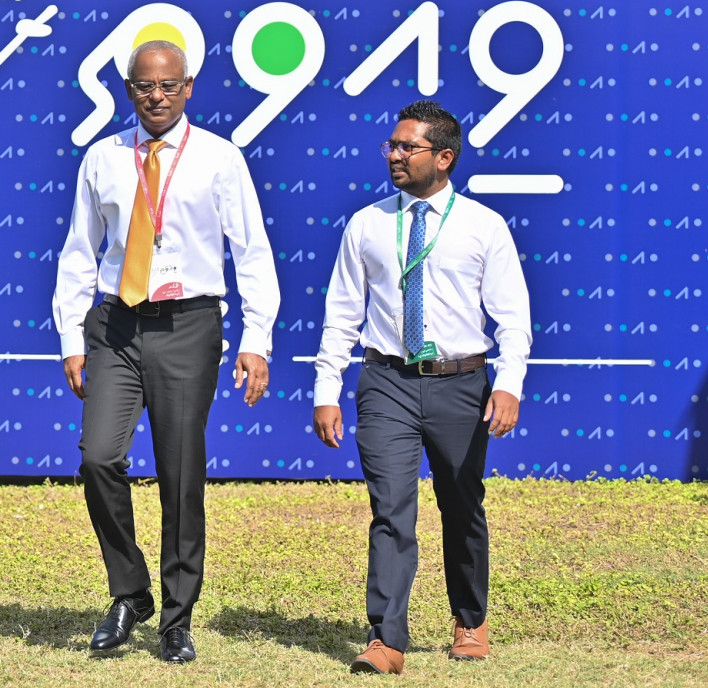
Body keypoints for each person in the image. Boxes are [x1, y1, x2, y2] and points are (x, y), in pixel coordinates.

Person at [53, 40, 279, 663]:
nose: (156, 96)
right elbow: (79, 251)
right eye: (144, 86)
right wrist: (71, 337)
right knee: (99, 458)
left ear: (188, 88)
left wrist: (256, 340)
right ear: (129, 90)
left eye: (168, 85)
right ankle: (130, 592)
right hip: (116, 325)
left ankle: (177, 619)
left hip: (188, 325)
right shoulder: (103, 157)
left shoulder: (219, 158)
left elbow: (252, 252)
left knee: (180, 474)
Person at [311, 99, 531, 675]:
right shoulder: (366, 224)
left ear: (445, 157)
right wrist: (326, 389)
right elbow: (341, 313)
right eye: (392, 145)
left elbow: (513, 318)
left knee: (461, 503)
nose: (395, 155)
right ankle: (386, 639)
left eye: (408, 147)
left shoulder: (484, 226)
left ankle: (470, 620)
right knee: (390, 509)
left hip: (461, 385)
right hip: (386, 382)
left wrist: (508, 384)